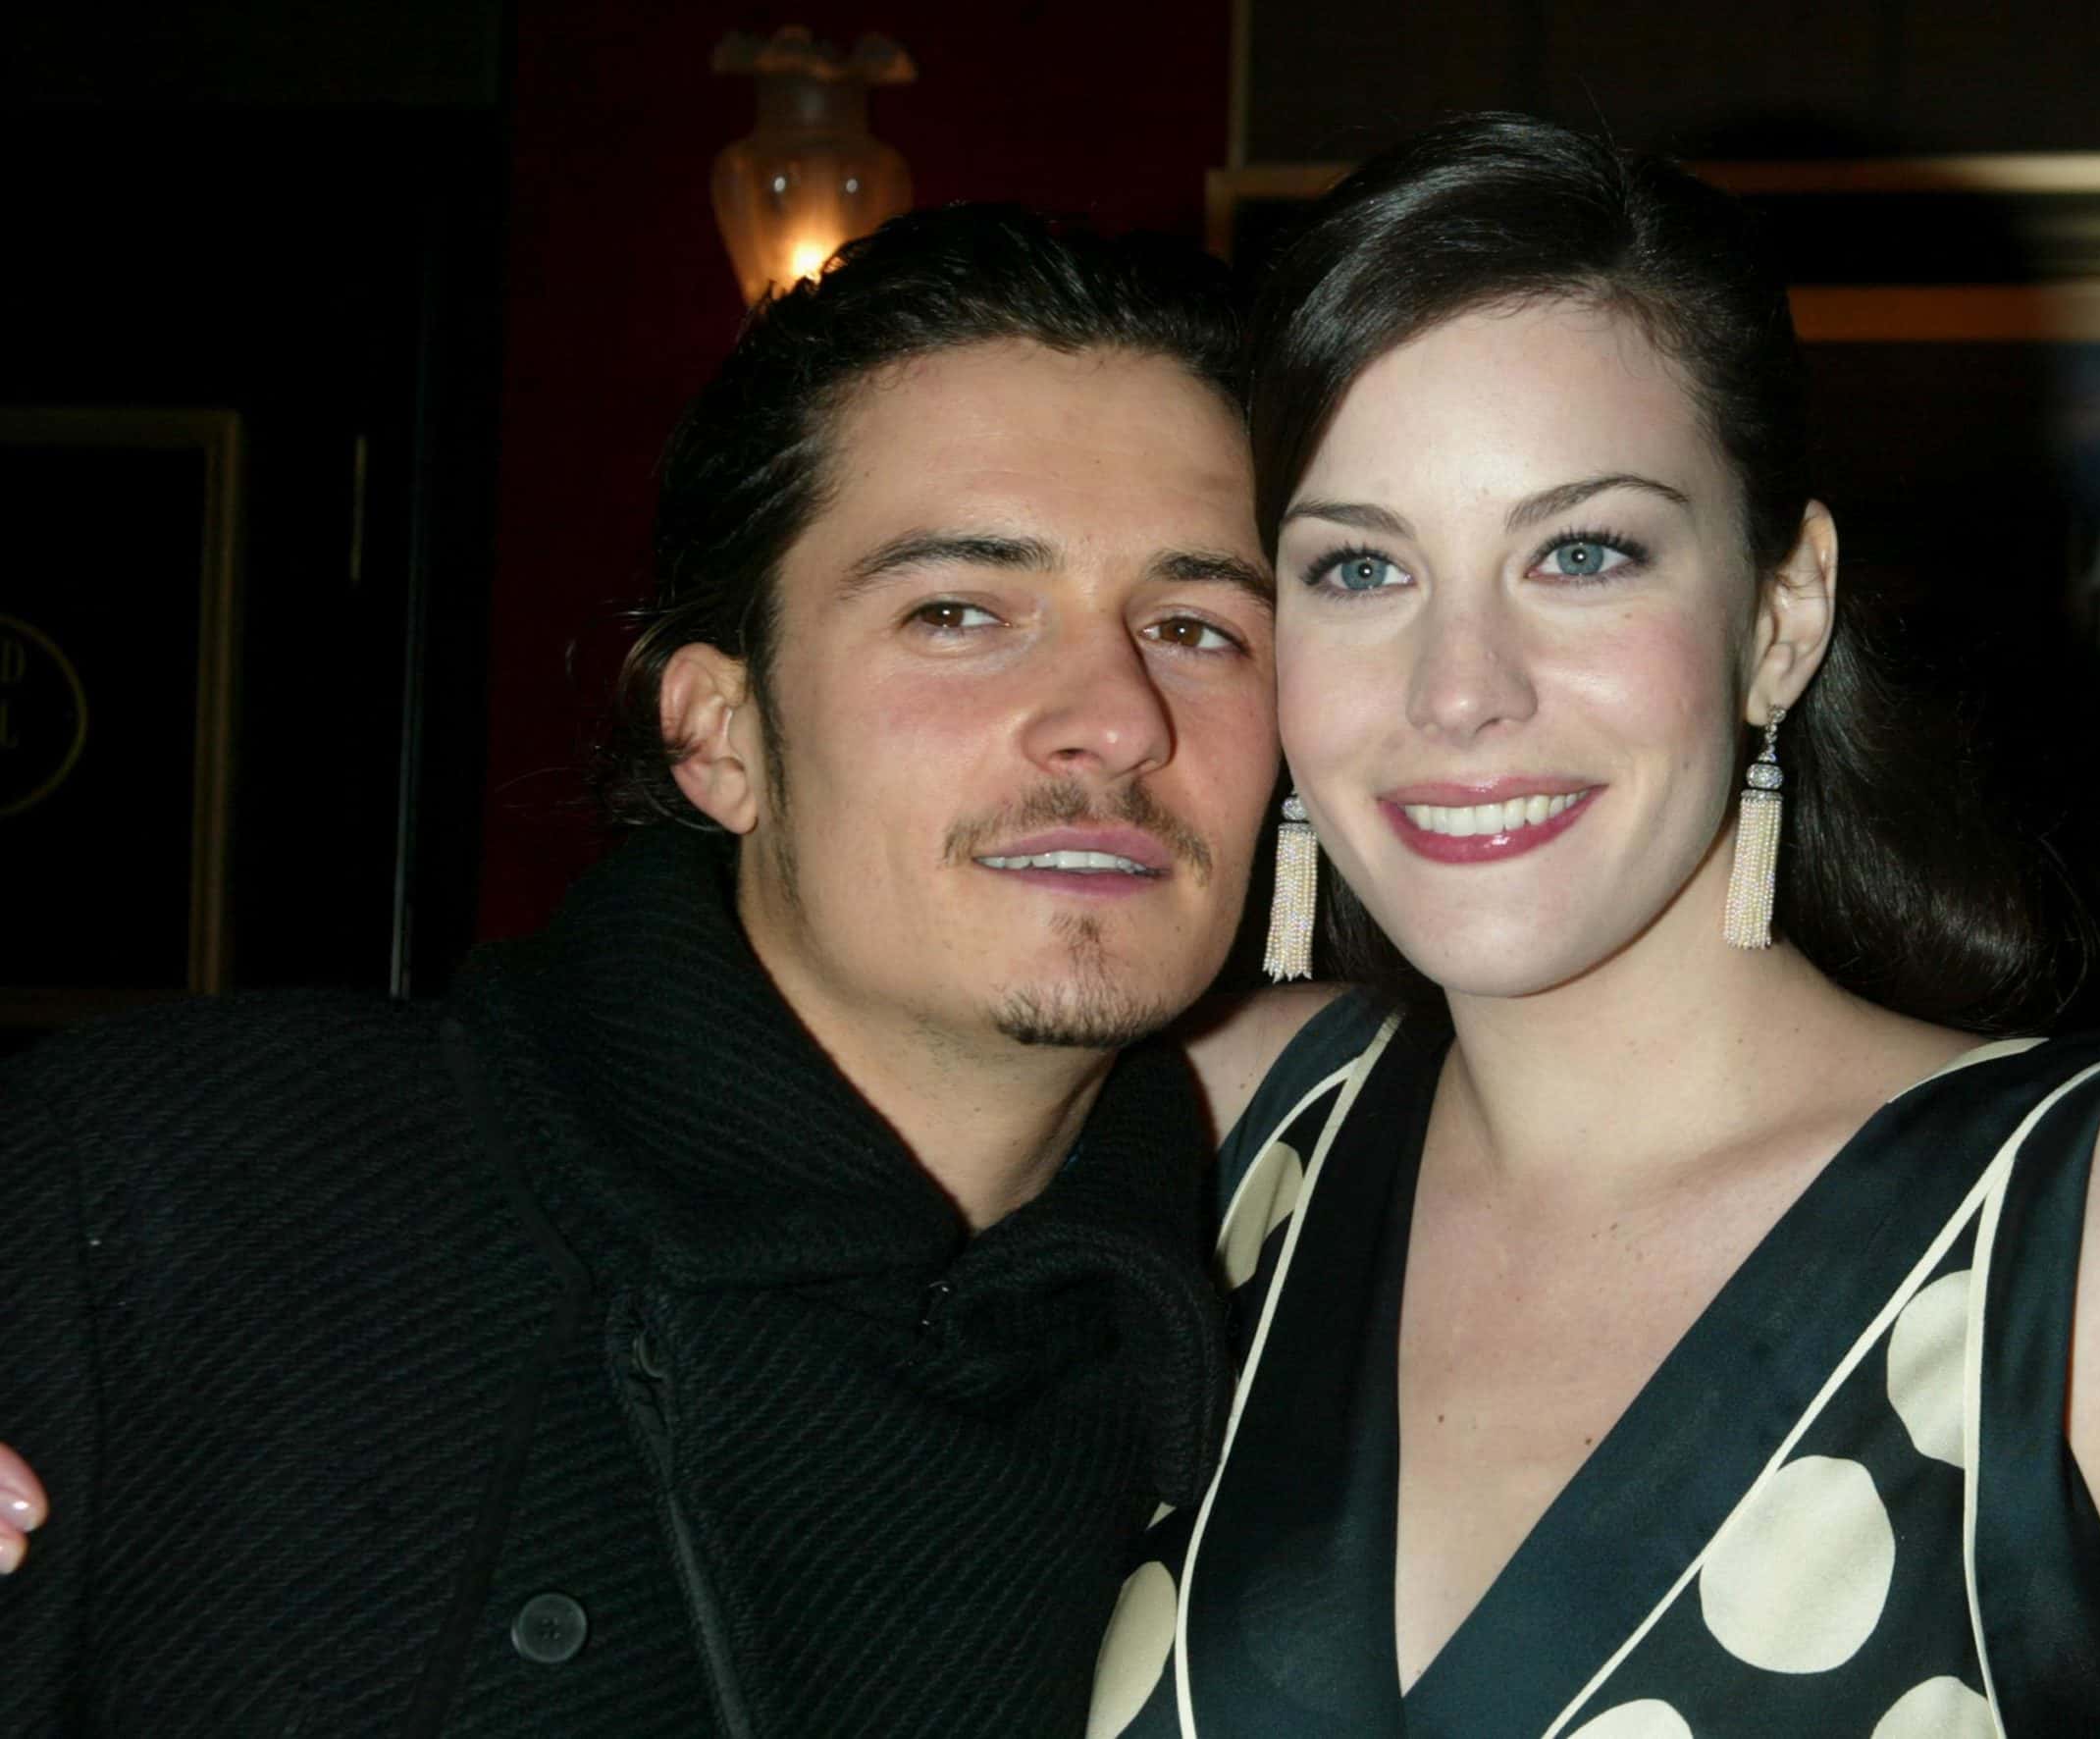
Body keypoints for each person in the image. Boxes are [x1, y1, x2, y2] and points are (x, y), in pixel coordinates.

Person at [1086, 116, 2100, 1737]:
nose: (1460, 689)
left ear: (1783, 613)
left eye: (1581, 553)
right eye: (1359, 570)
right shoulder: (1211, 1149)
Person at [0, 204, 1304, 1735]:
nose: (1117, 718)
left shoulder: (1291, 1352)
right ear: (717, 735)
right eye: (957, 613)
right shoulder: (166, 1185)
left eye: (1198, 626)